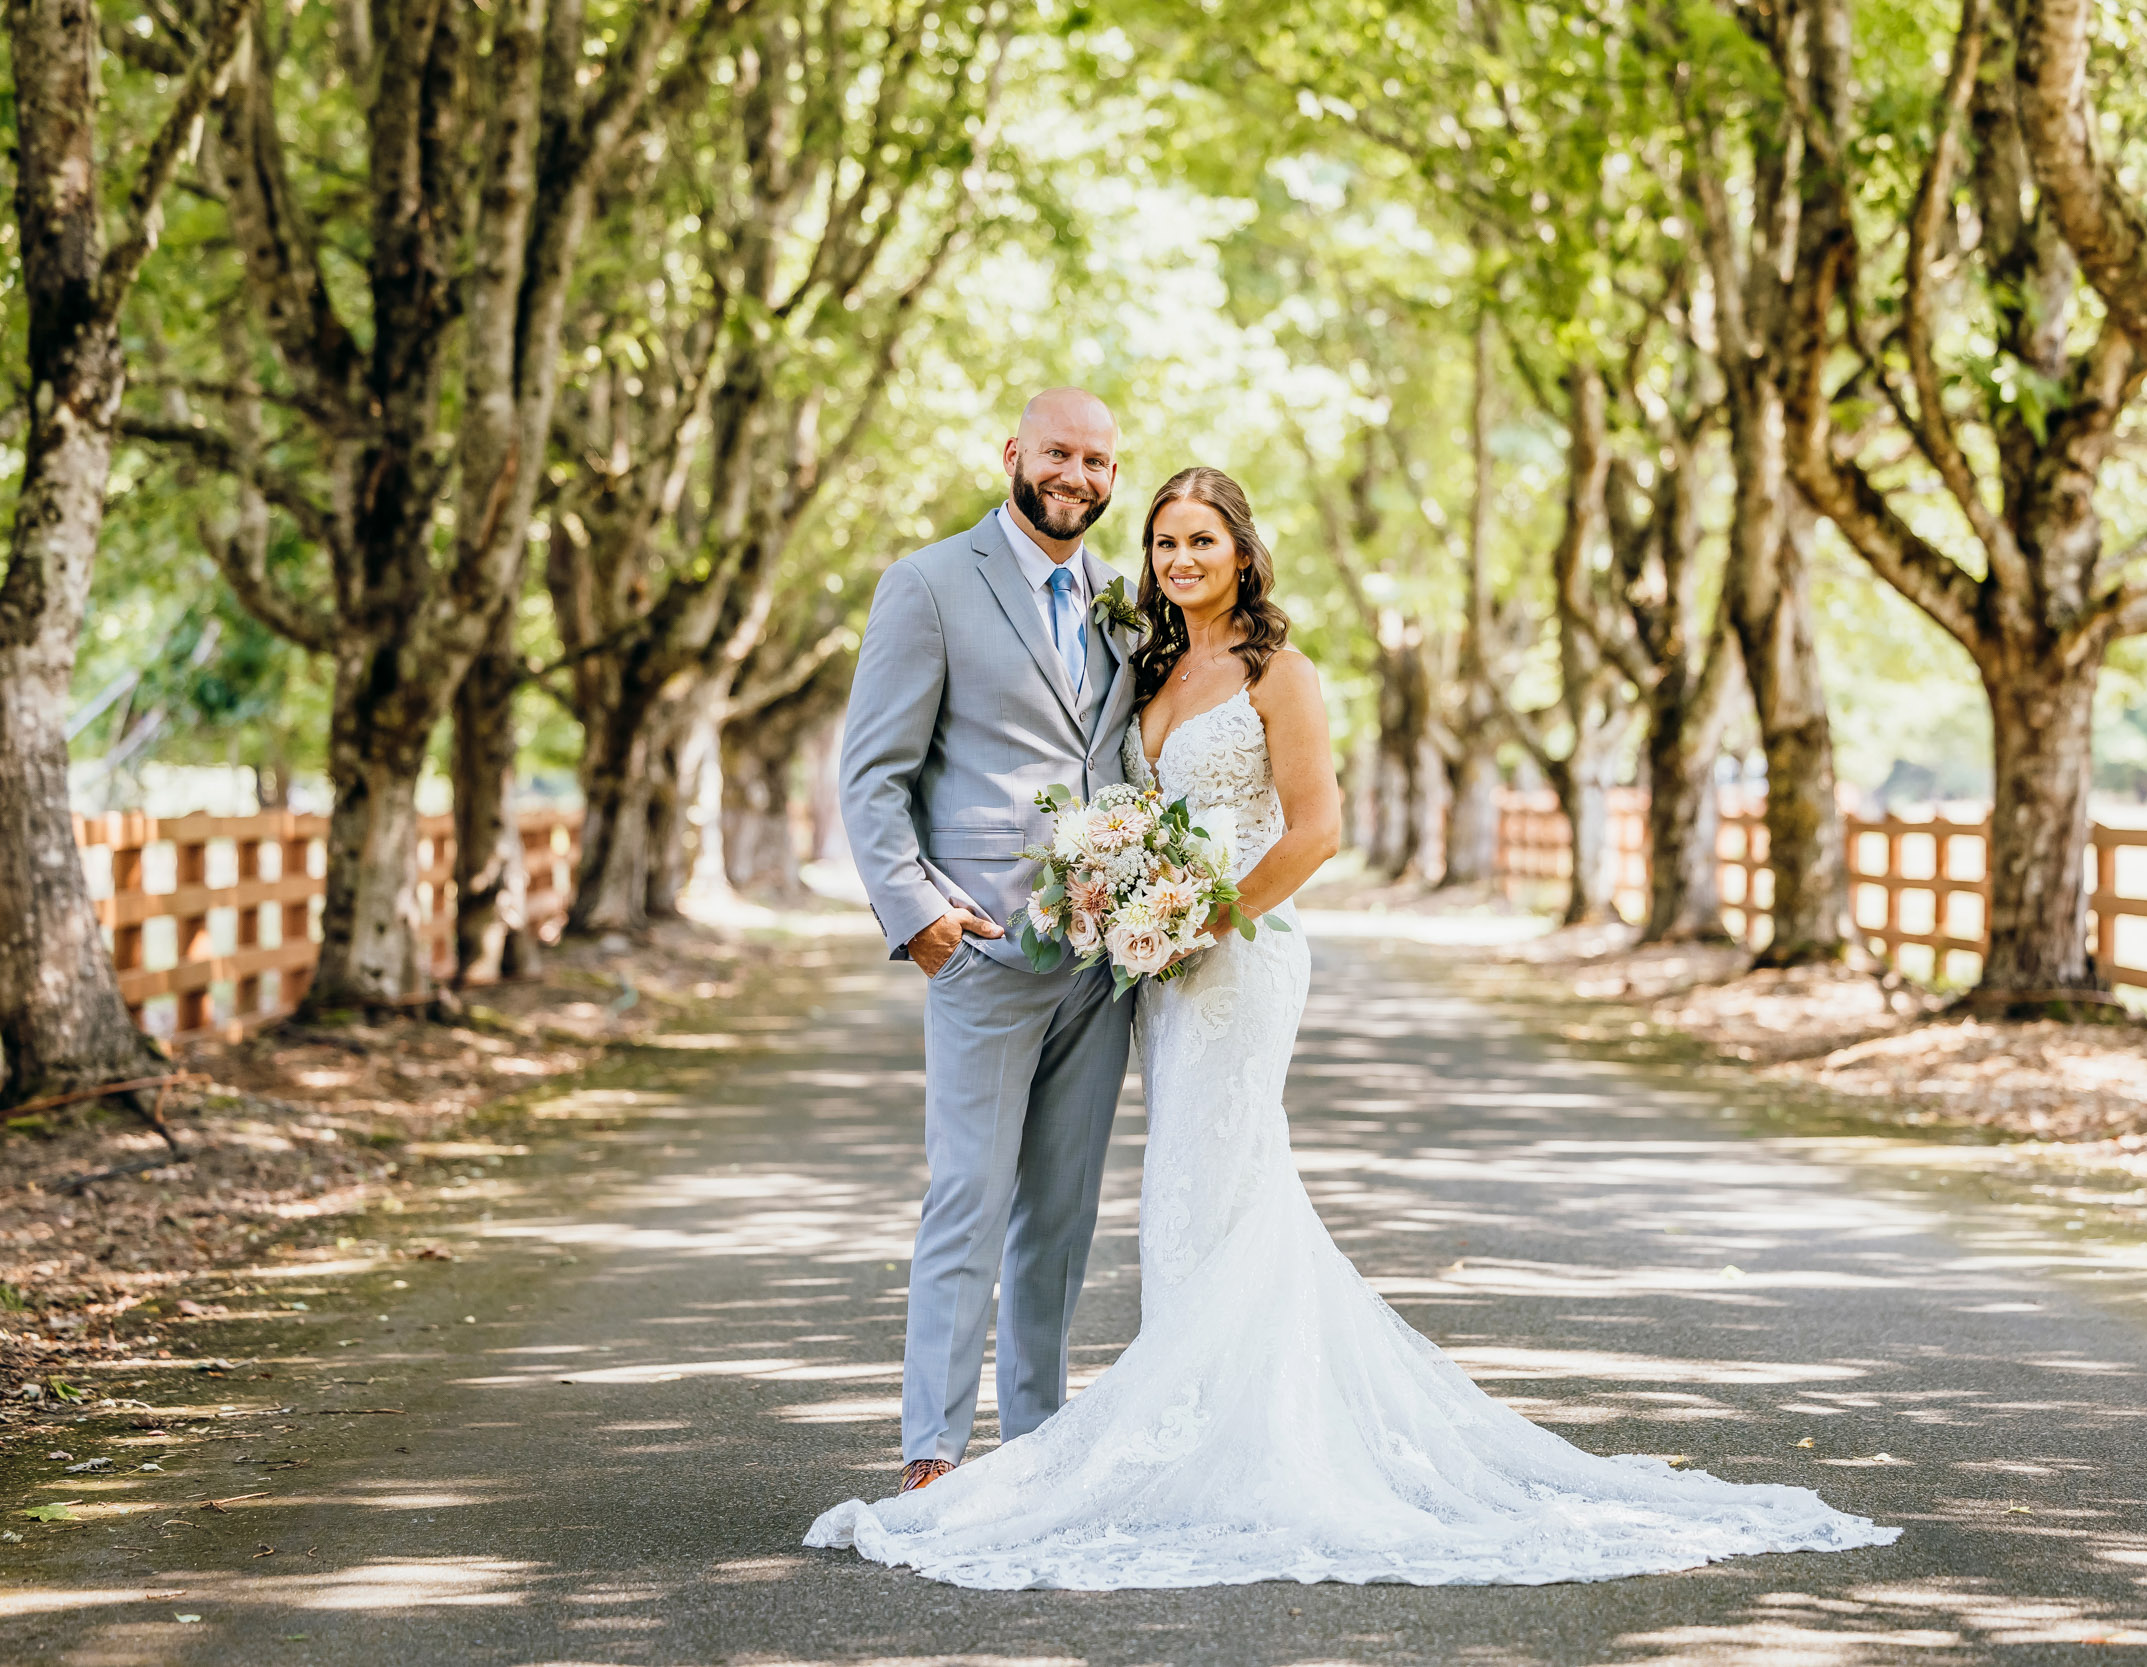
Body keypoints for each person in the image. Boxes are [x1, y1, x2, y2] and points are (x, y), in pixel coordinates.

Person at [813, 465, 1901, 1587]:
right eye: (1165, 542)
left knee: (1216, 1180)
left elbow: (1317, 828)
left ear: (1243, 550)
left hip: (1233, 953)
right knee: (1188, 1198)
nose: (1179, 560)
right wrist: (1133, 907)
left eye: (1201, 540)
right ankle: (1194, 1435)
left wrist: (1206, 911)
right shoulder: (1148, 658)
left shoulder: (1281, 672)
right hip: (1153, 962)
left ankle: (1248, 1453)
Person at [837, 389, 1141, 1496]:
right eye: (1059, 452)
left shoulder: (1122, 598)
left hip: (1103, 962)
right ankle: (934, 1450)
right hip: (980, 949)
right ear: (1012, 454)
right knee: (967, 1193)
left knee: (1061, 1213)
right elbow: (872, 771)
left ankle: (1040, 1445)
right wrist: (915, 914)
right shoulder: (927, 583)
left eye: (1099, 460)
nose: (1078, 474)